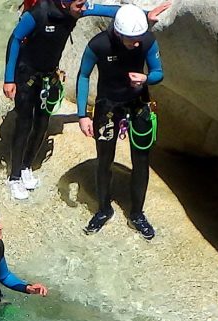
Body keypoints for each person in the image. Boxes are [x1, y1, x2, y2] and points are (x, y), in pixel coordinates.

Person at [3, 0, 169, 200]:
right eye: (80, 5)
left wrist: (145, 14)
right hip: (26, 73)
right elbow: (14, 39)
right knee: (24, 123)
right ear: (65, 4)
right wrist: (9, 79)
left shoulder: (76, 10)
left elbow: (112, 10)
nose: (84, 8)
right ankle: (14, 177)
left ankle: (26, 166)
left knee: (41, 123)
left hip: (47, 75)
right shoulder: (38, 14)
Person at [76, 4, 164, 240]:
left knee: (141, 161)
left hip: (137, 104)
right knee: (104, 160)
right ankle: (103, 209)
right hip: (108, 106)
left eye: (139, 39)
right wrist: (82, 115)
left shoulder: (146, 40)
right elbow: (83, 75)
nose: (137, 44)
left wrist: (146, 78)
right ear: (118, 32)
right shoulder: (99, 44)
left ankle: (137, 213)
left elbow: (158, 72)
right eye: (131, 40)